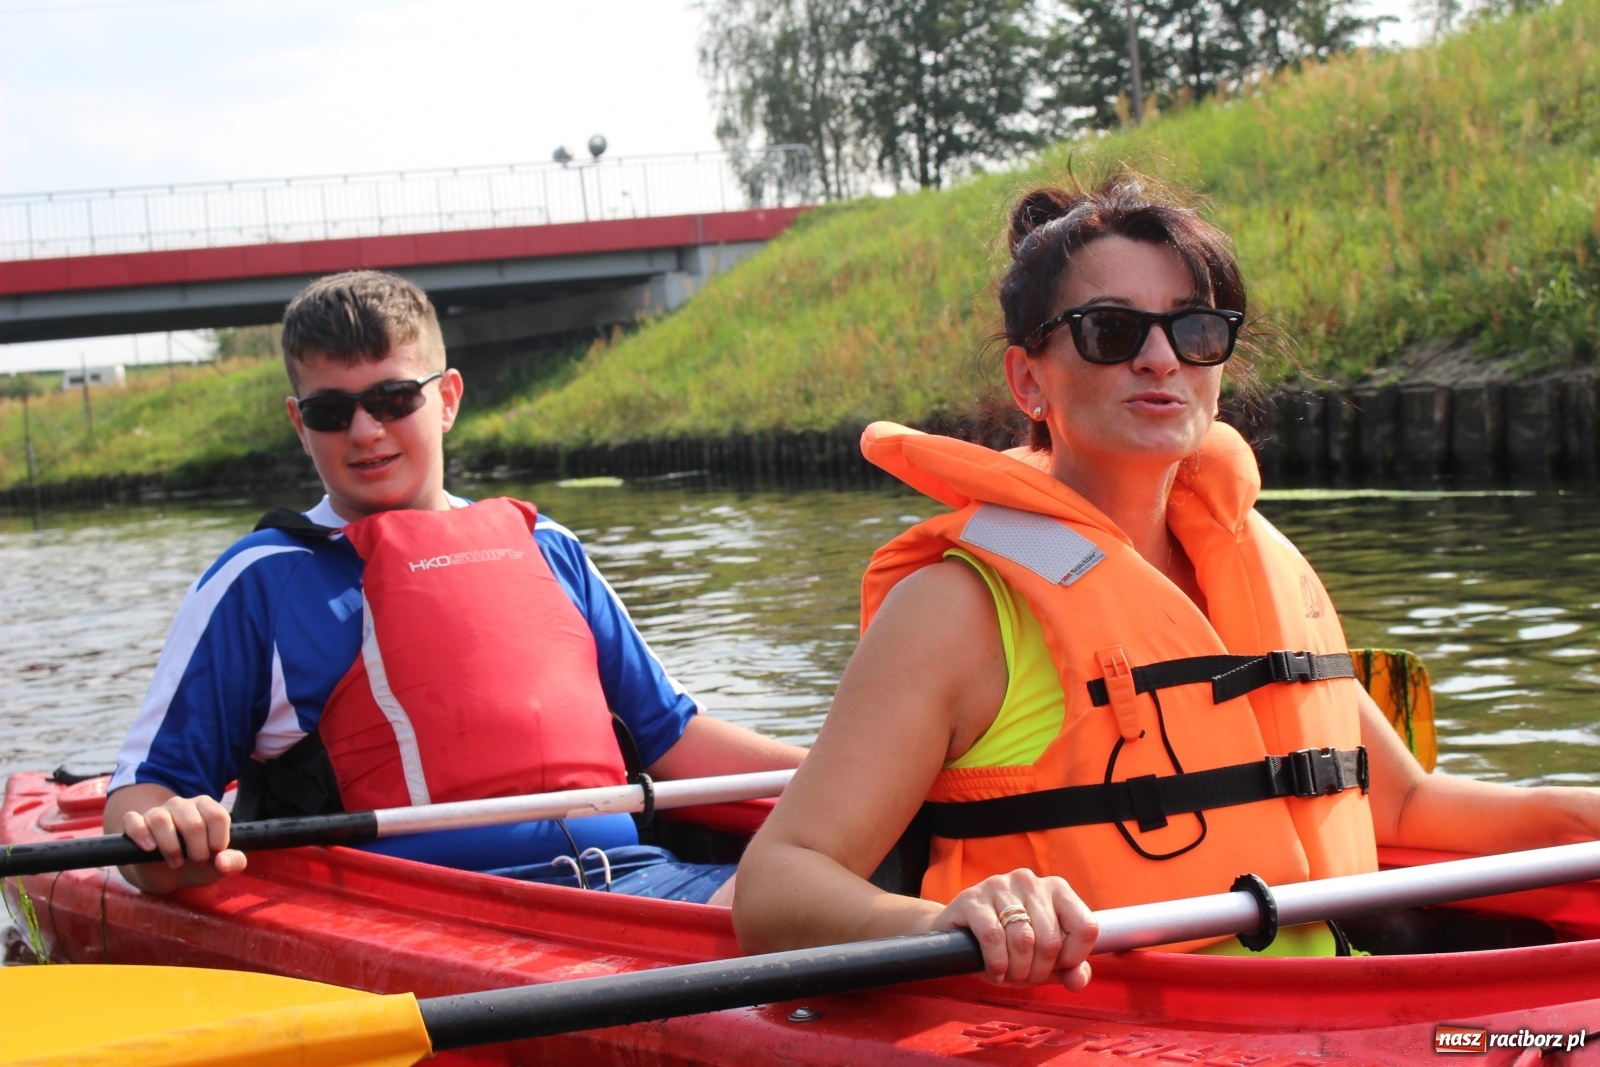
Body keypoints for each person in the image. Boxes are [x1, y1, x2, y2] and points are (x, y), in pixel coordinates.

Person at [732, 173, 1600, 987]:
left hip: (1331, 999)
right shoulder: (957, 608)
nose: (1160, 358)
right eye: (1111, 331)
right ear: (1028, 378)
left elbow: (1403, 804)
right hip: (1102, 1023)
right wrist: (944, 920)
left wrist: (1575, 814)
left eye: (1195, 328)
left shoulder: (1263, 564)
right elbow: (779, 881)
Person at [106, 269, 804, 903]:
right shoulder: (260, 581)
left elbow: (675, 738)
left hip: (643, 888)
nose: (365, 431)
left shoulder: (547, 547)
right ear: (299, 423)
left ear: (446, 399)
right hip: (424, 916)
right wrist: (167, 827)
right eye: (330, 410)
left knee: (839, 890)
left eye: (393, 398)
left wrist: (842, 770)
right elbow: (141, 797)